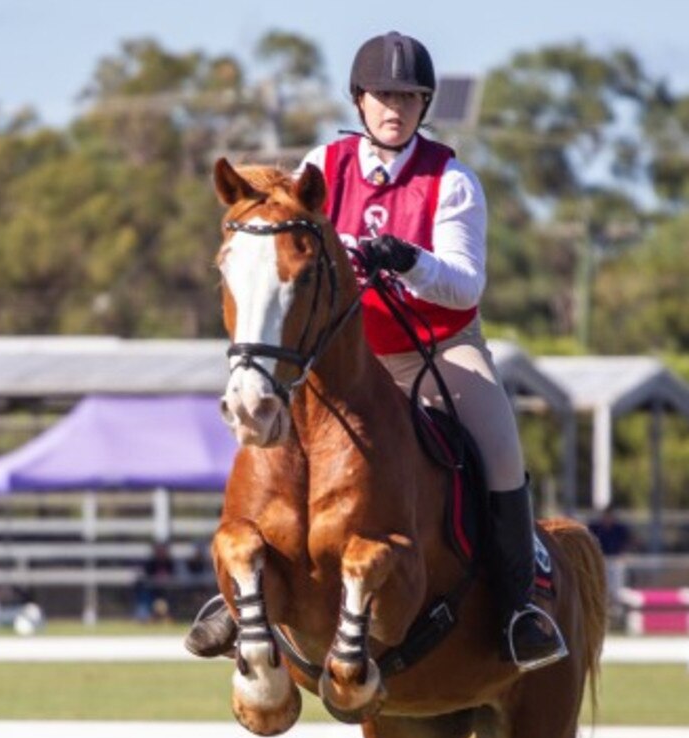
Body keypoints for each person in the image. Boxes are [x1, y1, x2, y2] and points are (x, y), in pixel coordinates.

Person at [187, 30, 566, 671]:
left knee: (501, 449)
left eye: (409, 96)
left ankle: (518, 609)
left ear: (425, 104)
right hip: (343, 354)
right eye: (383, 94)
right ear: (359, 100)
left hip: (436, 349)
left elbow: (465, 283)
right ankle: (234, 594)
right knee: (265, 426)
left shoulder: (451, 180)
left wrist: (409, 261)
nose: (395, 107)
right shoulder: (322, 166)